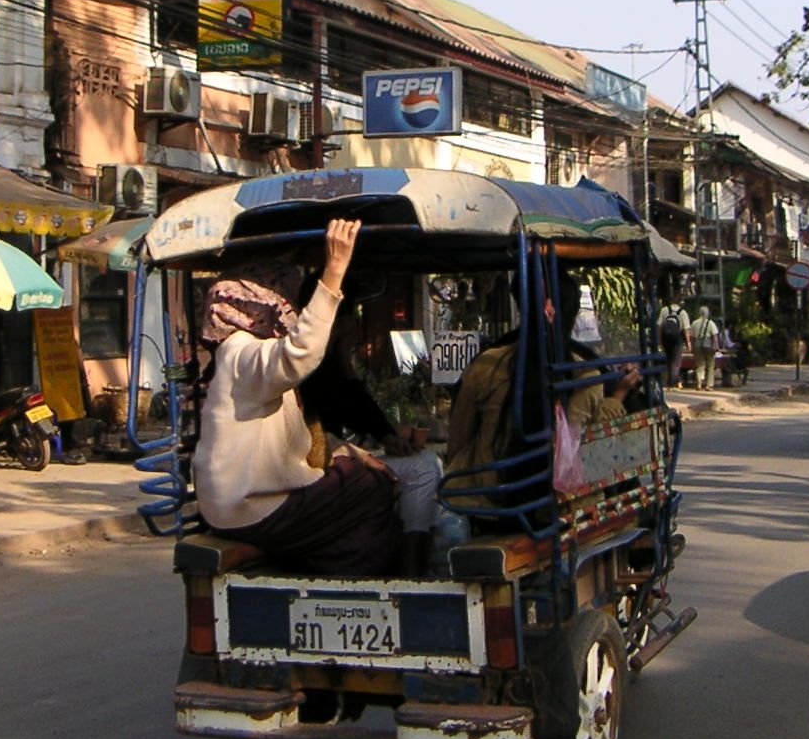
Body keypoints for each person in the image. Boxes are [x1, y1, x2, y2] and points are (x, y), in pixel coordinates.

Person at [191, 219, 404, 576]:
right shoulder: (243, 353)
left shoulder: (244, 359)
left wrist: (358, 454)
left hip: (237, 503)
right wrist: (333, 274)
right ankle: (351, 578)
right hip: (250, 508)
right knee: (372, 488)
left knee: (354, 475)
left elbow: (303, 438)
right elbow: (300, 352)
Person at [445, 272, 641, 498]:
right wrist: (619, 395)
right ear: (572, 315)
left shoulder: (487, 363)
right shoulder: (586, 373)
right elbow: (587, 445)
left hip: (489, 499)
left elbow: (458, 440)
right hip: (563, 503)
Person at [299, 302, 444, 574]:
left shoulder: (327, 367)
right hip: (316, 470)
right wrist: (364, 454)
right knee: (423, 467)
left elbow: (355, 409)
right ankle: (412, 569)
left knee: (428, 462)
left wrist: (387, 436)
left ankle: (415, 561)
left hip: (328, 461)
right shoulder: (307, 368)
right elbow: (315, 437)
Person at [657, 298, 690, 387]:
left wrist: (659, 340)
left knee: (668, 359)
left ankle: (670, 380)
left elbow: (659, 326)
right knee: (676, 361)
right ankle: (672, 382)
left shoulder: (664, 310)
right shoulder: (683, 313)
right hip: (677, 338)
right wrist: (688, 343)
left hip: (666, 338)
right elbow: (686, 329)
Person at [690, 305, 721, 390]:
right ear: (707, 313)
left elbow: (692, 337)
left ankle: (699, 382)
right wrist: (716, 347)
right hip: (709, 346)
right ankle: (709, 385)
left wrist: (692, 347)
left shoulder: (694, 323)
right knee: (710, 365)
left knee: (700, 364)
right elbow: (715, 337)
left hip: (698, 345)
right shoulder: (710, 323)